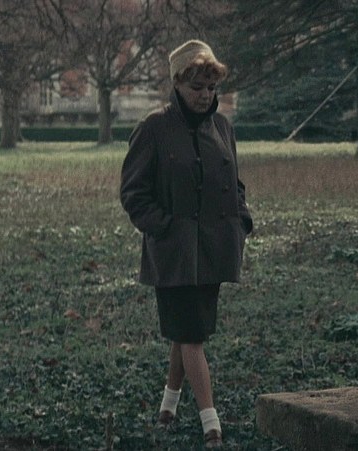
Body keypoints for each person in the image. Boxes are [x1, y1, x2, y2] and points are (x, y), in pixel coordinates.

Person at [120, 39, 253, 449]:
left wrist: (242, 219)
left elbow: (235, 183)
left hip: (215, 249)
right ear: (177, 83)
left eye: (211, 87)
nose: (205, 95)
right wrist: (164, 228)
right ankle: (211, 424)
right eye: (196, 87)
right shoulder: (153, 128)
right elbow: (134, 193)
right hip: (173, 254)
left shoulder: (223, 128)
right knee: (192, 335)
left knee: (186, 330)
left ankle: (168, 406)